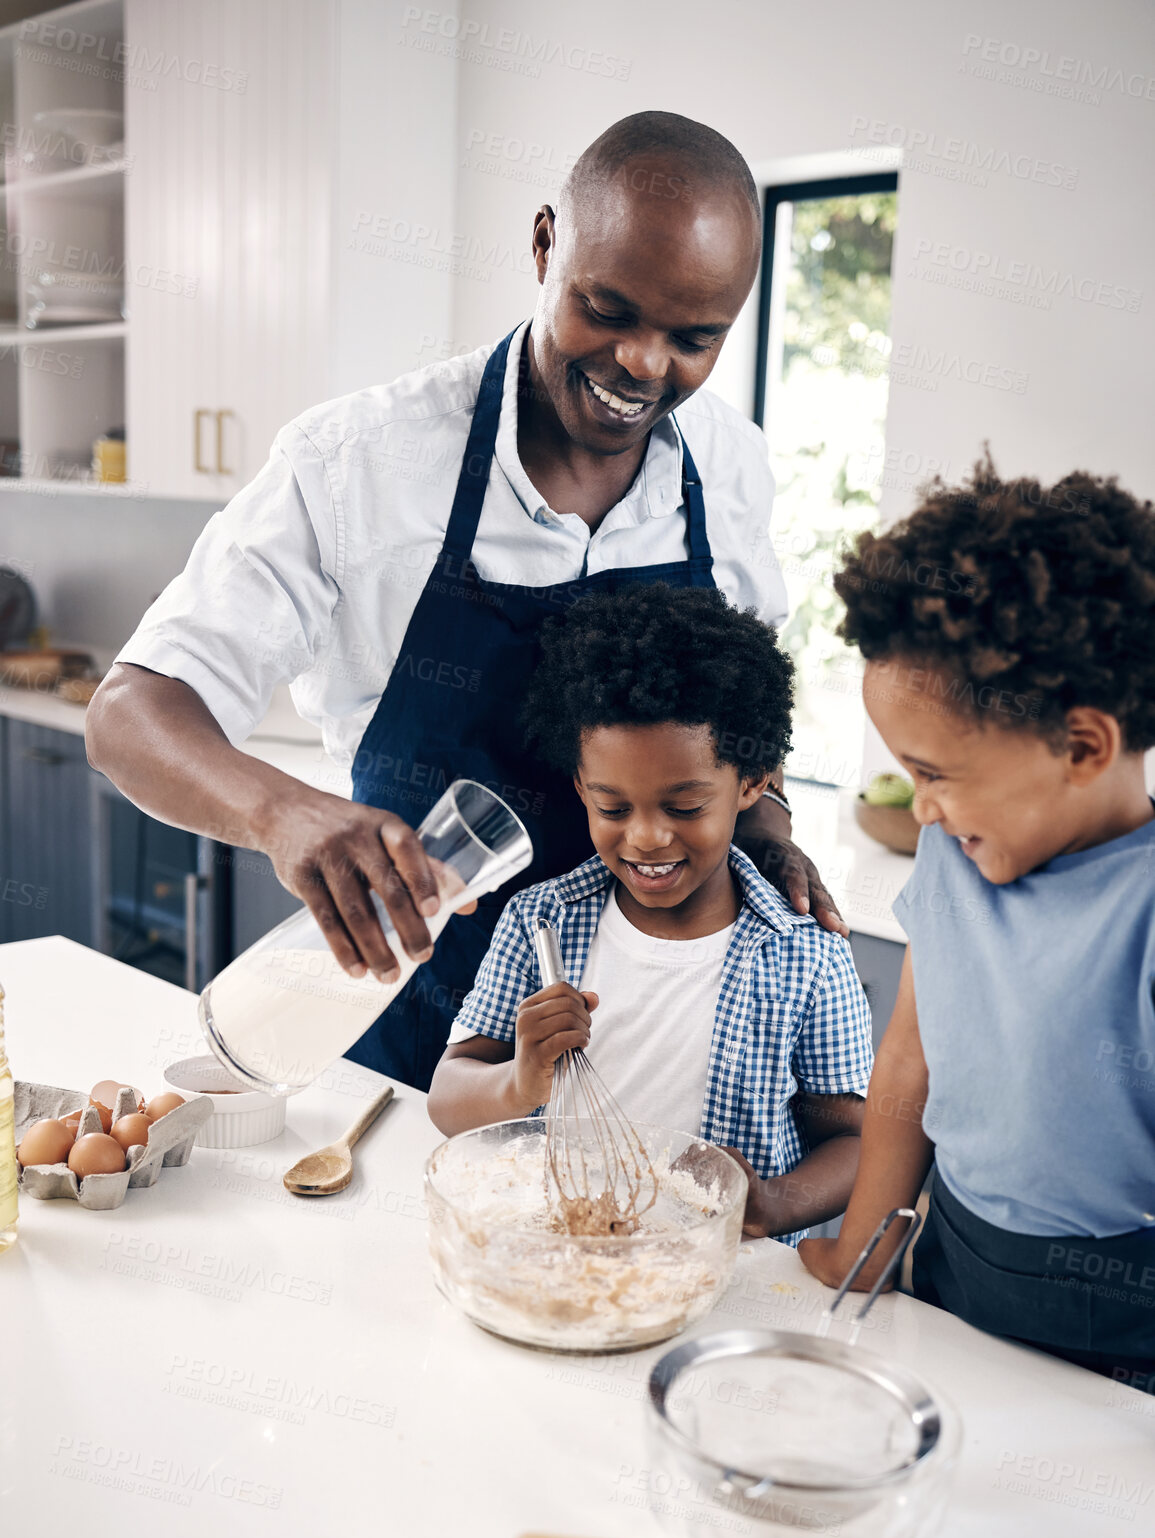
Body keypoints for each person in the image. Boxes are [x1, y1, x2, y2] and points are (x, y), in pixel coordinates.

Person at [85, 110, 846, 1094]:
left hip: (654, 1035)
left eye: (693, 338)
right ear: (543, 244)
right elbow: (129, 715)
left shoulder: (730, 466)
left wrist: (767, 818)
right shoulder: (361, 460)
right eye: (608, 309)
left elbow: (745, 707)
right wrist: (285, 815)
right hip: (412, 1030)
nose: (645, 365)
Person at [800, 457, 1155, 1382]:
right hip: (949, 1272)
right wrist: (862, 1248)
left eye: (937, 774)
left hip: (1116, 1338)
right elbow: (912, 1058)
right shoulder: (953, 852)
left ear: (1082, 745)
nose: (919, 808)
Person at [428, 585, 873, 1242]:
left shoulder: (806, 953)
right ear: (580, 785)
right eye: (612, 808)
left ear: (751, 782)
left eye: (684, 808)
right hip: (567, 1248)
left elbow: (858, 1139)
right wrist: (518, 1082)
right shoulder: (539, 920)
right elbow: (447, 1095)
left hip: (729, 1273)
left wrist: (776, 1201)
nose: (644, 837)